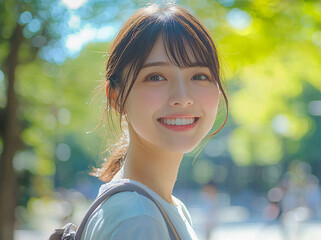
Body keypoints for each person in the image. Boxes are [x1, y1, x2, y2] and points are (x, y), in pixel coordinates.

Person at [80, 3, 228, 239]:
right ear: (116, 97)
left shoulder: (166, 208)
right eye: (156, 77)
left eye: (199, 75)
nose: (182, 97)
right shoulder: (138, 219)